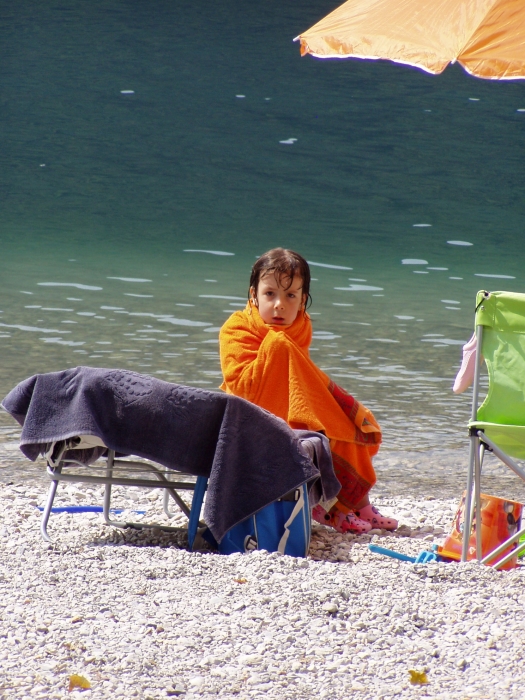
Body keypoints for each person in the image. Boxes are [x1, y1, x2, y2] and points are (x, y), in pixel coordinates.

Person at [219, 247, 398, 534]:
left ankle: (359, 504)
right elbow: (241, 387)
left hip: (291, 406)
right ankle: (335, 510)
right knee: (326, 425)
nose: (279, 305)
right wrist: (275, 344)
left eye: (290, 296)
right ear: (253, 294)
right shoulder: (237, 329)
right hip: (249, 414)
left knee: (345, 426)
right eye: (270, 294)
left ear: (303, 300)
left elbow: (298, 380)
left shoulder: (301, 328)